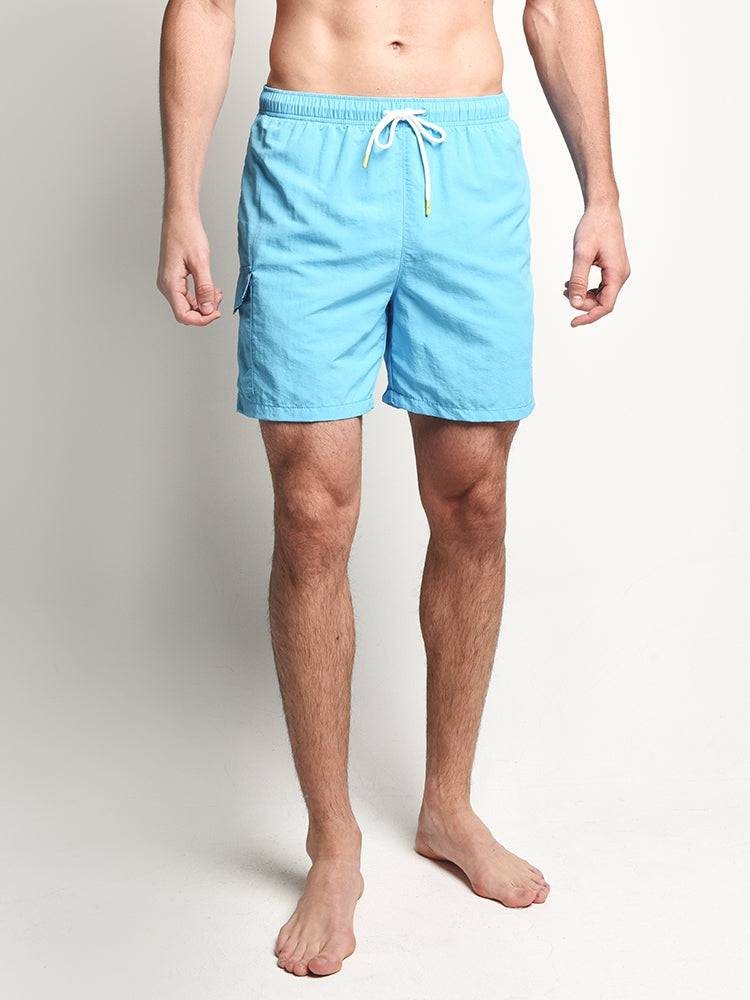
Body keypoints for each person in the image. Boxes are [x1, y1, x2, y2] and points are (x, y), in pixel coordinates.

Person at [157, 0, 630, 978]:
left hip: (467, 164)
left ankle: (448, 806)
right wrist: (178, 203)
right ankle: (333, 841)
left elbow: (556, 8)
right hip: (311, 160)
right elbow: (204, 6)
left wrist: (603, 194)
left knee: (474, 500)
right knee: (311, 512)